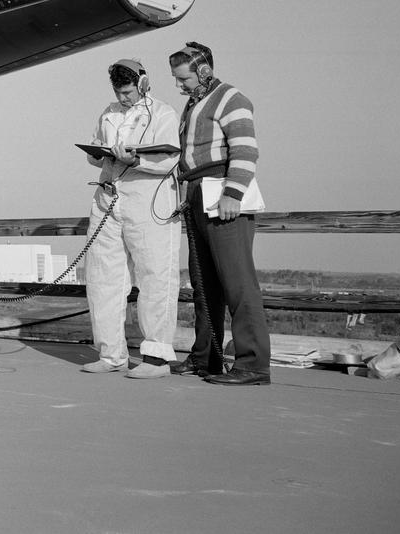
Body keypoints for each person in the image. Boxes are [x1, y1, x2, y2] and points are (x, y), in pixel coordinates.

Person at [168, 41, 271, 386]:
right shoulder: (193, 104)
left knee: (238, 283)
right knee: (203, 283)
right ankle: (205, 358)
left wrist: (233, 193)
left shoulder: (233, 99)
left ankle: (253, 365)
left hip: (222, 193)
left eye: (183, 78)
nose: (179, 85)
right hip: (196, 193)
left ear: (204, 71)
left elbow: (245, 150)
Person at [81, 59, 181, 378]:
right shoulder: (109, 113)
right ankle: (111, 353)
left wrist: (136, 158)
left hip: (148, 199)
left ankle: (156, 358)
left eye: (128, 91)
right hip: (109, 196)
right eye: (118, 92)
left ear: (141, 84)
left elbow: (170, 158)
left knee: (155, 274)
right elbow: (94, 151)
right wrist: (98, 153)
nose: (124, 98)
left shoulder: (163, 113)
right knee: (103, 275)